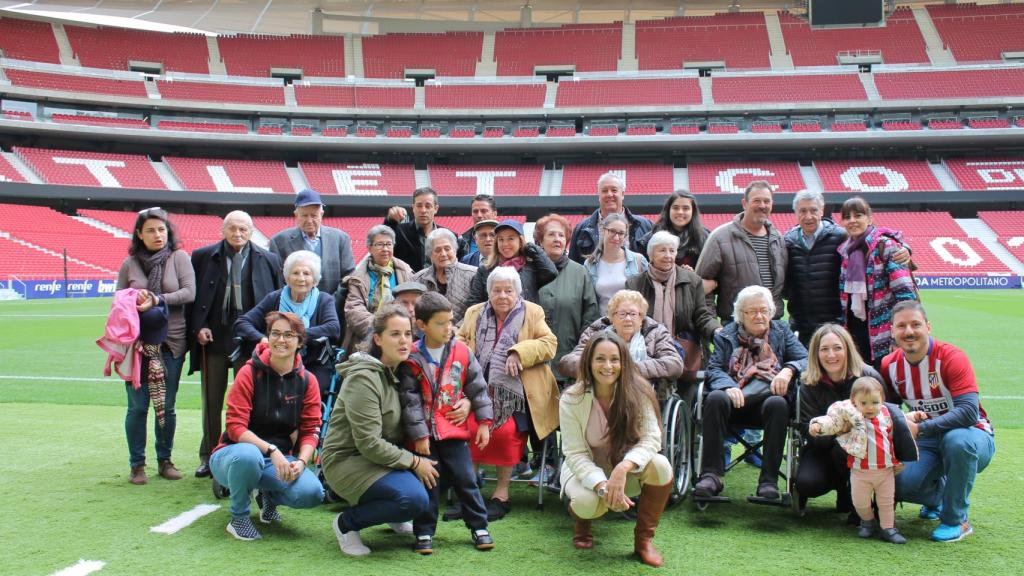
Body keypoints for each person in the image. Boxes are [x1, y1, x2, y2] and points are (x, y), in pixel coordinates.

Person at [321, 304, 436, 556]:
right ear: (377, 339)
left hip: (379, 457)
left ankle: (392, 512)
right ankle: (346, 523)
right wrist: (415, 462)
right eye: (395, 334)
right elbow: (369, 443)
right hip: (347, 461)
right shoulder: (364, 379)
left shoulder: (401, 370)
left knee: (429, 479)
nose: (404, 340)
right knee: (413, 498)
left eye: (407, 334)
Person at [881, 301, 995, 543]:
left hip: (971, 434)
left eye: (915, 324)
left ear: (928, 327)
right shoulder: (888, 365)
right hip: (928, 439)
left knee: (957, 441)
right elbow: (888, 410)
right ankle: (941, 496)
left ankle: (956, 519)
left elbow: (968, 413)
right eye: (901, 326)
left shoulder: (952, 357)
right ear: (892, 331)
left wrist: (920, 428)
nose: (909, 331)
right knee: (901, 484)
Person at [560, 332, 673, 567]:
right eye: (600, 359)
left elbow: (652, 439)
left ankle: (643, 541)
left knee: (661, 466)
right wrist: (602, 486)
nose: (608, 366)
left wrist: (624, 468)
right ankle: (583, 521)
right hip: (584, 471)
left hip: (625, 468)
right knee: (587, 504)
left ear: (624, 362)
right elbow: (575, 453)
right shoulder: (572, 398)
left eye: (615, 359)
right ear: (589, 362)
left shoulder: (639, 392)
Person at [209, 311, 325, 541]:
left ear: (300, 342)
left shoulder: (308, 380)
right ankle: (239, 518)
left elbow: (312, 429)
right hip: (234, 454)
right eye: (275, 333)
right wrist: (271, 450)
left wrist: (301, 462)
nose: (281, 340)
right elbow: (235, 427)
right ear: (268, 337)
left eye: (289, 335)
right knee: (249, 456)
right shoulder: (249, 372)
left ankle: (267, 496)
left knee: (312, 493)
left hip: (280, 459)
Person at [188, 211, 283, 478]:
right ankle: (209, 455)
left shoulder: (270, 259)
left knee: (249, 402)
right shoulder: (203, 256)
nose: (238, 234)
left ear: (251, 231)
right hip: (214, 339)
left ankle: (248, 453)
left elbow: (277, 301)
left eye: (243, 229)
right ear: (223, 229)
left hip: (252, 341)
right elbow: (194, 299)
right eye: (233, 228)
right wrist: (199, 327)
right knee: (211, 400)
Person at [398, 293, 496, 554]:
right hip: (424, 437)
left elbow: (477, 387)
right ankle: (424, 532)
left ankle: (479, 526)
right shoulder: (412, 357)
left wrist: (484, 422)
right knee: (428, 484)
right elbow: (410, 402)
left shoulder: (462, 351)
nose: (448, 328)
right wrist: (419, 435)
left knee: (467, 479)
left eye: (450, 321)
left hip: (454, 432)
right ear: (422, 325)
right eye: (441, 323)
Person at [459, 266, 559, 520]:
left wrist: (518, 351)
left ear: (518, 292)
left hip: (517, 394)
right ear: (488, 292)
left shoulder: (532, 312)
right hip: (477, 391)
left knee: (504, 433)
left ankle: (501, 494)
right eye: (497, 290)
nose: (503, 295)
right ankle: (469, 494)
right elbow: (459, 340)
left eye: (508, 290)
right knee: (468, 430)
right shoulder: (474, 312)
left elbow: (549, 344)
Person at [693, 285, 808, 501]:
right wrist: (728, 386)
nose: (759, 316)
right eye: (752, 311)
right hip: (732, 404)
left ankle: (768, 481)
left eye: (764, 310)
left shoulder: (782, 331)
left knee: (778, 403)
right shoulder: (726, 334)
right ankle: (711, 475)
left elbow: (806, 360)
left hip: (767, 405)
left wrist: (787, 370)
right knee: (716, 397)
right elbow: (715, 368)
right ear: (740, 315)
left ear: (771, 312)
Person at [116, 207, 195, 484]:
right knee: (137, 406)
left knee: (167, 405)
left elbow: (189, 292)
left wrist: (157, 300)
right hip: (137, 346)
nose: (157, 234)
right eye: (150, 230)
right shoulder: (130, 264)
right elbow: (119, 300)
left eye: (161, 229)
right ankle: (137, 465)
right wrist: (134, 301)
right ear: (140, 234)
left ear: (168, 232)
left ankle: (165, 460)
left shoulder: (179, 257)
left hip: (171, 341)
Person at [785, 191, 912, 347]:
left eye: (813, 210)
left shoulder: (841, 237)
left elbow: (876, 236)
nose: (808, 216)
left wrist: (905, 247)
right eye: (802, 211)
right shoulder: (788, 241)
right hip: (802, 324)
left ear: (822, 210)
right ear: (795, 213)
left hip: (837, 323)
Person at [809, 376, 916, 544]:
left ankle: (888, 528)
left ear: (882, 400)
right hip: (860, 471)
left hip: (885, 470)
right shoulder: (851, 416)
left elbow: (902, 419)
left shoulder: (887, 414)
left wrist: (914, 416)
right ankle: (867, 521)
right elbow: (832, 421)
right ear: (854, 402)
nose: (869, 407)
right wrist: (818, 425)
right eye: (864, 403)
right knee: (860, 502)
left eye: (874, 402)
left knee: (886, 502)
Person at [795, 323, 886, 515]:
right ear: (815, 354)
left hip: (866, 448)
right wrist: (834, 430)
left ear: (847, 349)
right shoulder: (808, 383)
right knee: (808, 483)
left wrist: (850, 431)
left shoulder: (868, 376)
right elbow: (807, 429)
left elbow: (886, 416)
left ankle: (858, 500)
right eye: (824, 349)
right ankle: (843, 487)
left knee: (843, 450)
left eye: (837, 348)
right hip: (823, 447)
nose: (831, 355)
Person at [235, 251, 341, 397]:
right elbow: (242, 322)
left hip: (312, 363)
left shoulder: (324, 299)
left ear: (315, 279)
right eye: (295, 273)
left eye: (307, 273)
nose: (301, 278)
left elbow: (333, 328)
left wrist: (293, 335)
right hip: (274, 362)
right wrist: (263, 339)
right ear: (287, 277)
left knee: (310, 388)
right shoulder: (274, 298)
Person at [627, 230, 721, 388]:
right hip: (646, 352)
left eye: (672, 250)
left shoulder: (692, 280)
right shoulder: (634, 284)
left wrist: (716, 331)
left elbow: (702, 315)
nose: (668, 255)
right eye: (662, 250)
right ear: (651, 255)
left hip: (685, 354)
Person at [559, 290, 684, 403]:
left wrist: (629, 369)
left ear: (641, 317)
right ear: (612, 317)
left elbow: (674, 364)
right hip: (598, 393)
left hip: (641, 395)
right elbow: (567, 362)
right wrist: (598, 368)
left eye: (633, 314)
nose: (628, 319)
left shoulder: (657, 332)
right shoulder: (595, 332)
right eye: (622, 314)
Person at [838, 197, 919, 366]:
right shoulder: (845, 251)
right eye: (847, 217)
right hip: (856, 331)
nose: (852, 220)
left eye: (858, 215)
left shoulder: (886, 246)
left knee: (886, 385)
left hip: (883, 335)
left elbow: (906, 296)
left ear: (869, 218)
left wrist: (897, 337)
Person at [695, 180, 786, 324]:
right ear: (745, 203)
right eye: (757, 200)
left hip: (774, 324)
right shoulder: (720, 237)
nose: (762, 205)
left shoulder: (779, 240)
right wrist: (712, 325)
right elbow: (701, 287)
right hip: (736, 326)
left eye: (766, 201)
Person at [268, 189, 356, 320]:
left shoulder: (340, 239)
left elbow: (349, 276)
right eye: (304, 215)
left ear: (321, 215)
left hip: (333, 311)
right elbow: (278, 279)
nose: (309, 220)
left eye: (314, 215)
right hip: (293, 313)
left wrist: (329, 303)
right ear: (296, 215)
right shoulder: (279, 241)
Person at [534, 213, 600, 388]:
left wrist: (581, 354)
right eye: (551, 234)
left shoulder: (579, 272)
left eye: (561, 235)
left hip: (569, 365)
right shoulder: (527, 271)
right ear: (540, 241)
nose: (557, 239)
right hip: (534, 364)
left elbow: (590, 316)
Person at [342, 225, 413, 352]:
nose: (385, 249)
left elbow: (413, 304)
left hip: (402, 336)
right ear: (369, 248)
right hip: (368, 338)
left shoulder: (406, 272)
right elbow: (354, 310)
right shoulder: (358, 277)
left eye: (389, 244)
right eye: (380, 244)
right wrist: (382, 329)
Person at [467, 219, 557, 307]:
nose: (505, 244)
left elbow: (551, 272)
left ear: (520, 240)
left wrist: (529, 247)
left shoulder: (531, 267)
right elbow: (474, 302)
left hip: (527, 320)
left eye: (511, 238)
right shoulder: (485, 270)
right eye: (501, 239)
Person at [568, 172, 652, 264]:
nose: (609, 194)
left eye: (614, 190)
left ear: (622, 194)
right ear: (599, 195)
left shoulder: (645, 226)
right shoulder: (581, 229)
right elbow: (573, 265)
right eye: (604, 191)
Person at [385, 186, 465, 273]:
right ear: (413, 208)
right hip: (408, 285)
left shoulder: (449, 236)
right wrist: (390, 221)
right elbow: (383, 239)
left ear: (436, 208)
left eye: (428, 206)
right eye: (419, 206)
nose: (423, 210)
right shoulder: (399, 232)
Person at [584, 213, 649, 316]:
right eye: (612, 231)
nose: (616, 237)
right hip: (602, 326)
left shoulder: (639, 261)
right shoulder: (590, 264)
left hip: (630, 325)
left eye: (621, 233)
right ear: (603, 230)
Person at [412, 228, 478, 324]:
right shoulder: (417, 279)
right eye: (437, 250)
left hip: (462, 336)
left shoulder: (473, 274)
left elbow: (477, 310)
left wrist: (458, 330)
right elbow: (414, 313)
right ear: (430, 255)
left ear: (455, 250)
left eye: (447, 249)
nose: (443, 254)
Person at [636, 190, 709, 269]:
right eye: (675, 208)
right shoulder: (649, 240)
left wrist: (692, 277)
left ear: (693, 211)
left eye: (686, 208)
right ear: (668, 210)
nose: (680, 212)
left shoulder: (705, 238)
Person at [461, 195, 498, 263]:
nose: (479, 215)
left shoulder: (506, 238)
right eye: (475, 211)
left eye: (484, 211)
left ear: (495, 214)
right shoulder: (462, 241)